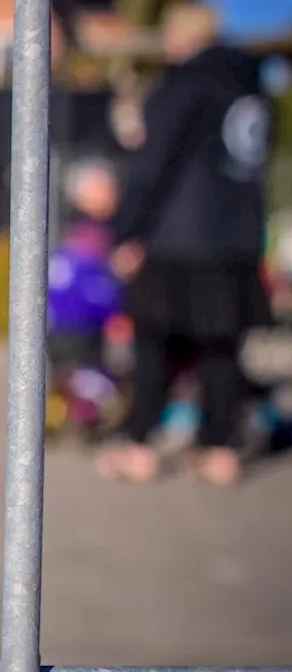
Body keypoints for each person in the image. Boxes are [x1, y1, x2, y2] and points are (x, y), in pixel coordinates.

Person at [100, 3, 274, 485]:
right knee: (222, 348)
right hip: (237, 238)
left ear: (178, 39)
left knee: (153, 343)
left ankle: (140, 446)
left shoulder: (181, 88)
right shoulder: (251, 88)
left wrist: (126, 231)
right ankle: (220, 451)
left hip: (177, 239)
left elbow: (152, 167)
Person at [46, 161, 123, 440]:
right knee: (86, 372)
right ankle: (78, 412)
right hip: (80, 321)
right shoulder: (93, 235)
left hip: (65, 322)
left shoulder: (72, 229)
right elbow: (98, 286)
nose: (114, 196)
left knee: (72, 371)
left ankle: (64, 411)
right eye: (106, 190)